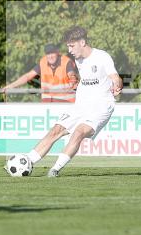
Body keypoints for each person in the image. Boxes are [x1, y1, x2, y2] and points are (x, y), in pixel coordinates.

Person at [24, 26, 122, 177]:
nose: (69, 50)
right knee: (56, 130)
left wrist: (117, 85)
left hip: (101, 106)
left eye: (71, 46)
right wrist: (76, 84)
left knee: (78, 132)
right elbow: (87, 79)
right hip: (81, 105)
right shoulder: (78, 59)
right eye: (68, 46)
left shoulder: (102, 57)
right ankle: (26, 162)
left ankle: (54, 170)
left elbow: (115, 77)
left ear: (82, 42)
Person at [3, 43, 78, 102]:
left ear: (57, 52)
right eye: (48, 54)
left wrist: (73, 80)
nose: (50, 56)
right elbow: (28, 76)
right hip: (48, 105)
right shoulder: (43, 62)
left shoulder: (66, 62)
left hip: (65, 104)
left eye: (52, 53)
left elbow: (71, 74)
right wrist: (11, 86)